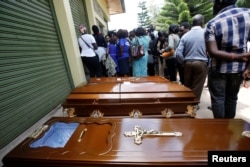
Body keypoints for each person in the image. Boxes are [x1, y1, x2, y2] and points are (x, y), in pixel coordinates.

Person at [204, 0, 250, 118]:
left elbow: (212, 51)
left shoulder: (213, 23)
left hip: (218, 70)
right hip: (238, 70)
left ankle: (220, 131)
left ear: (219, 2)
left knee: (218, 99)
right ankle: (229, 130)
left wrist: (237, 57)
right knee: (232, 99)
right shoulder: (248, 14)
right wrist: (248, 67)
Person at [176, 14, 208, 103]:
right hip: (201, 63)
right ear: (202, 22)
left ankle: (187, 102)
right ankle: (193, 104)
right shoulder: (206, 33)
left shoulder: (185, 36)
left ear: (192, 23)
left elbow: (178, 53)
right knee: (197, 85)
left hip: (188, 63)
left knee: (188, 85)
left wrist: (183, 63)